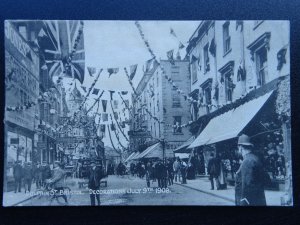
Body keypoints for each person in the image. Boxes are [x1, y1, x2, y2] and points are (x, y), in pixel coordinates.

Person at [235, 134, 266, 206]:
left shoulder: (247, 161)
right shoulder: (255, 158)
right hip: (258, 199)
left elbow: (247, 186)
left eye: (238, 147)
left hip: (249, 202)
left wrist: (243, 203)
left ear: (240, 147)